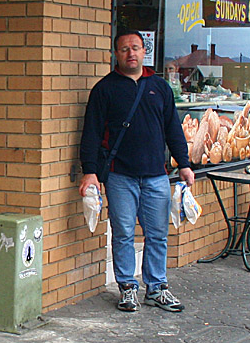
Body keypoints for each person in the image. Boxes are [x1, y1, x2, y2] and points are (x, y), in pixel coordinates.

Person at [79, 28, 195, 313]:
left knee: (157, 234)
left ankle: (156, 288)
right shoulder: (104, 89)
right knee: (123, 234)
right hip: (120, 176)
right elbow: (91, 134)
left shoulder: (161, 88)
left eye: (136, 48)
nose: (131, 53)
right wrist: (90, 171)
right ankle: (128, 288)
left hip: (156, 175)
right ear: (115, 55)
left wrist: (185, 164)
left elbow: (173, 130)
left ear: (145, 52)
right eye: (124, 49)